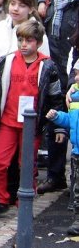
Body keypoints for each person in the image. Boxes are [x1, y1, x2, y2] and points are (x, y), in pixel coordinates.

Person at [0, 19, 64, 219]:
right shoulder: (4, 62)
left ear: (39, 42)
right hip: (7, 121)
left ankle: (24, 199)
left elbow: (56, 99)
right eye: (20, 40)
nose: (24, 44)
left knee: (27, 163)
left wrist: (59, 127)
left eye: (29, 40)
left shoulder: (48, 66)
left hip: (31, 125)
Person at [41, 0, 79, 194]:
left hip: (73, 70)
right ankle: (56, 176)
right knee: (54, 121)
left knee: (74, 125)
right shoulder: (54, 2)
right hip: (54, 70)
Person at [45, 78, 79, 235]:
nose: (77, 77)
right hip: (77, 152)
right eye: (76, 74)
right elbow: (71, 120)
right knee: (77, 187)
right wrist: (57, 117)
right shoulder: (74, 96)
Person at [0, 0, 49, 73]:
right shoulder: (0, 26)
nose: (16, 8)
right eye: (13, 4)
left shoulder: (37, 31)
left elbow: (44, 62)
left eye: (22, 6)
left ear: (31, 9)